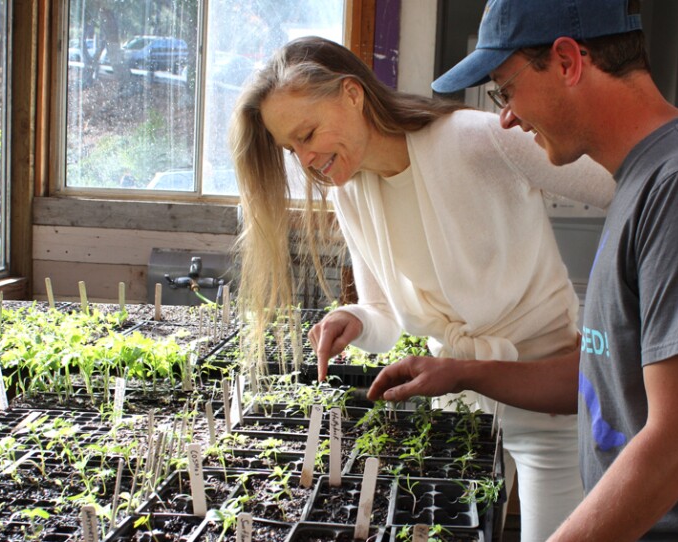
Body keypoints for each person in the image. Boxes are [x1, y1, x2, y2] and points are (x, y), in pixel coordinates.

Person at [368, 0, 678, 540]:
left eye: (505, 89)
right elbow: (606, 374)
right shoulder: (649, 181)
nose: (506, 116)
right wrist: (460, 372)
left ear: (569, 61)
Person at [229, 36, 615, 542]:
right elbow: (384, 314)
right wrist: (356, 319)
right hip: (457, 403)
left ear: (352, 94)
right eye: (291, 149)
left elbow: (627, 186)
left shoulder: (474, 139)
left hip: (547, 394)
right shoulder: (351, 192)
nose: (305, 159)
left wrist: (622, 311)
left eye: (307, 133)